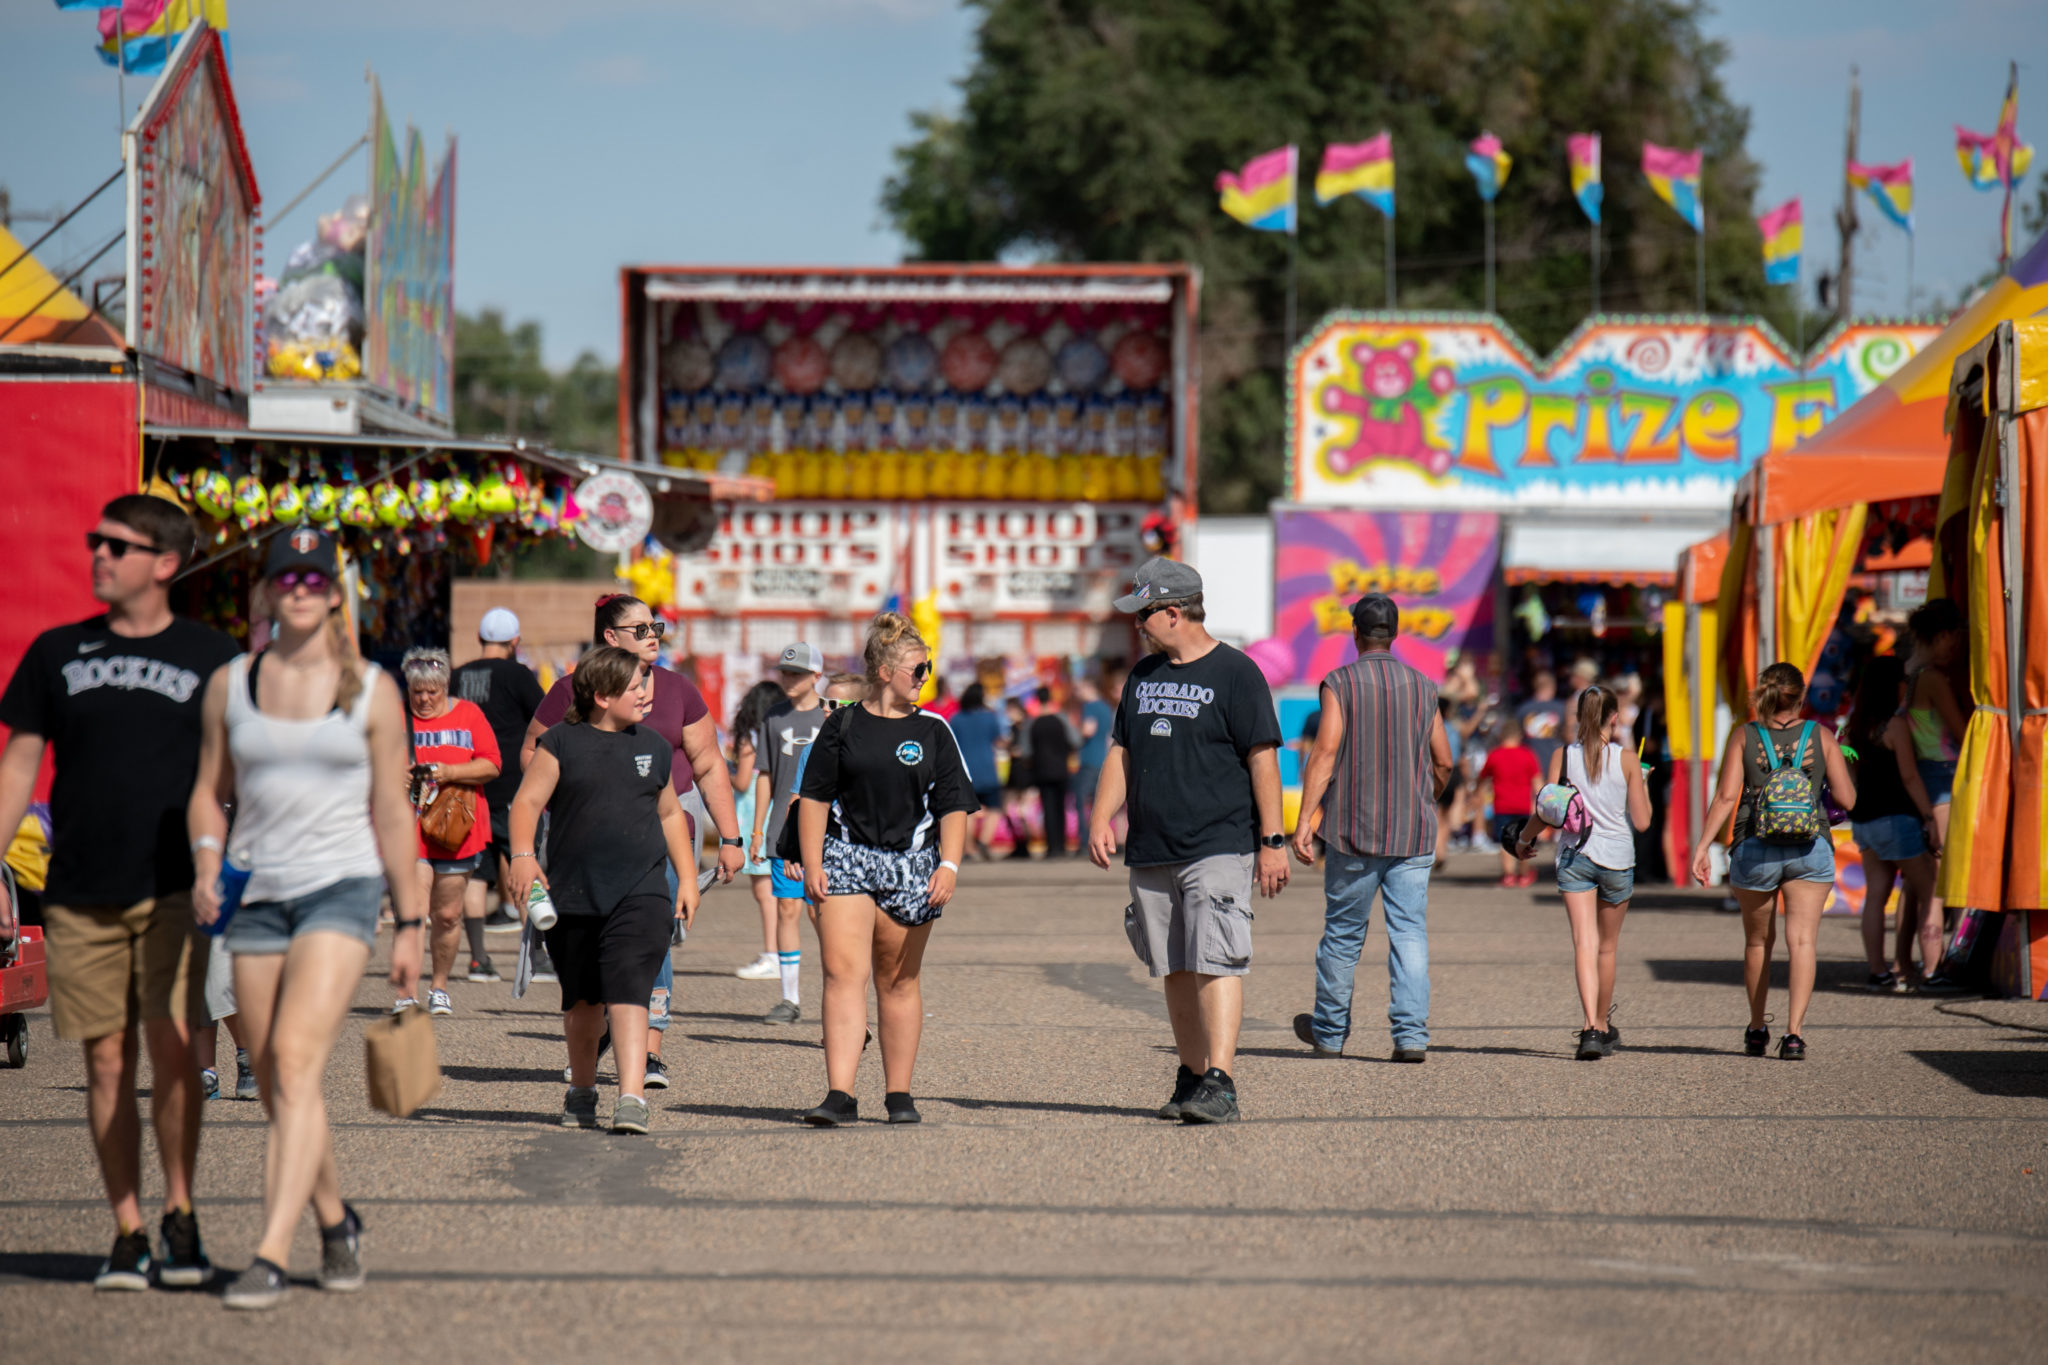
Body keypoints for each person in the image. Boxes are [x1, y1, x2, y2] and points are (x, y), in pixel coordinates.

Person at [0, 494, 238, 1290]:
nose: (98, 553)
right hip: (79, 891)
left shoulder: (213, 656)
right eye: (96, 541)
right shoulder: (55, 652)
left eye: (117, 544)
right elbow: (17, 766)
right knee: (106, 1061)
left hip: (177, 886)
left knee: (172, 1050)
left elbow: (237, 771)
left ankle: (181, 1210)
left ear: (165, 563)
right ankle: (129, 1229)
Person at [187, 526, 424, 1308]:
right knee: (278, 1082)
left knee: (291, 1059)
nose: (298, 589)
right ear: (268, 590)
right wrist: (206, 860)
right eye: (285, 576)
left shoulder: (373, 690)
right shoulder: (234, 681)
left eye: (312, 578)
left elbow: (392, 810)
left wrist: (411, 924)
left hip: (340, 888)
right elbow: (208, 787)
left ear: (333, 593)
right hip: (254, 891)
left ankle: (268, 1252)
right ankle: (334, 1219)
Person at [1088, 558, 1287, 1123]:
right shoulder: (1144, 676)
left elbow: (1262, 761)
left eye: (1143, 615)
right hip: (1152, 846)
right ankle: (1193, 1073)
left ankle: (1221, 1081)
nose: (1137, 626)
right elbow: (1121, 752)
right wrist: (1103, 817)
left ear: (1173, 613)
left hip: (1218, 843)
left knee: (1216, 959)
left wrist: (1272, 840)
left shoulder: (1237, 673)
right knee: (1172, 964)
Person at [523, 594, 743, 1091]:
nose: (653, 636)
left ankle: (649, 1051)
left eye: (656, 627)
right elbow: (531, 753)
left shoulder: (678, 690)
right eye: (641, 628)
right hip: (586, 844)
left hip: (665, 836)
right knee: (592, 942)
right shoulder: (570, 690)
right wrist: (573, 799)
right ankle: (603, 1031)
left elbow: (708, 764)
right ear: (610, 637)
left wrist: (730, 837)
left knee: (651, 939)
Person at [508, 647, 699, 1135]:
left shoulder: (654, 746)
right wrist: (524, 858)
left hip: (642, 890)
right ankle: (583, 1090)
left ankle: (631, 1097)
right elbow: (527, 802)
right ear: (601, 696)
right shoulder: (560, 743)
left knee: (630, 987)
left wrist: (689, 877)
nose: (645, 694)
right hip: (573, 891)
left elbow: (671, 814)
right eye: (635, 687)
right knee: (584, 1000)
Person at [794, 615, 975, 1127]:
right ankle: (840, 1094)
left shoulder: (934, 729)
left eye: (927, 667)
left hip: (912, 865)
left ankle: (899, 1095)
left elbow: (953, 805)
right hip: (847, 860)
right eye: (917, 667)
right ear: (883, 670)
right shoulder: (842, 724)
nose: (924, 675)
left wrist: (950, 865)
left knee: (897, 982)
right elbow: (814, 798)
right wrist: (812, 864)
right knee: (841, 976)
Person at [1289, 594, 1451, 1064]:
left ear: (1355, 633)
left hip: (1352, 831)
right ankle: (1410, 1036)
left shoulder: (1340, 683)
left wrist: (1305, 821)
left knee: (1342, 934)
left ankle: (1330, 1033)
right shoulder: (1424, 687)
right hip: (1413, 833)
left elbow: (1323, 753)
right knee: (1409, 934)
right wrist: (1426, 798)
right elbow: (1444, 759)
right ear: (1395, 634)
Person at [1690, 663, 1856, 1060]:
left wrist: (1702, 847)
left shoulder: (1744, 736)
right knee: (1802, 942)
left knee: (1757, 942)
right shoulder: (1821, 736)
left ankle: (1756, 1027)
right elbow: (1848, 800)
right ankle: (1794, 1034)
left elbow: (1727, 798)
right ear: (1802, 696)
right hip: (1810, 846)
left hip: (1754, 846)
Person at [1514, 684, 1651, 1060]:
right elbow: (1642, 821)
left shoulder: (1563, 755)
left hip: (1575, 856)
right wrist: (1643, 783)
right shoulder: (1626, 760)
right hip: (1617, 859)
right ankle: (1603, 1026)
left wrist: (1524, 840)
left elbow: (1549, 807)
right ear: (1614, 717)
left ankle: (1590, 1026)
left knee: (1583, 943)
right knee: (1607, 947)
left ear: (1579, 716)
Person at [402, 648, 501, 1016]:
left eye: (432, 692)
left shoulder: (469, 715)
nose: (424, 699)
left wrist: (448, 772)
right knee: (412, 909)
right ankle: (407, 991)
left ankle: (439, 986)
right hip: (411, 828)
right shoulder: (399, 718)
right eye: (417, 693)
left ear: (445, 687)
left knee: (446, 915)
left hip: (458, 828)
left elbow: (492, 764)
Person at [1843, 655, 1942, 990]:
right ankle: (1932, 970)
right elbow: (1910, 776)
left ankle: (1878, 971)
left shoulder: (1852, 727)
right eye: (1902, 680)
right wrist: (1929, 816)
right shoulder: (1894, 726)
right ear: (1891, 686)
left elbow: (1850, 773)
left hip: (1865, 821)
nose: (1906, 686)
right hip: (1897, 819)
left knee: (1876, 895)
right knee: (1931, 891)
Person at [451, 608, 545, 941]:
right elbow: (545, 718)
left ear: (479, 638)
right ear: (515, 641)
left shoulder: (457, 676)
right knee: (527, 866)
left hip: (469, 787)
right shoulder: (518, 675)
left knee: (477, 875)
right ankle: (537, 954)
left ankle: (478, 960)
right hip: (512, 789)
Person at [746, 643, 827, 1022]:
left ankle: (838, 994)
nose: (788, 679)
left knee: (824, 914)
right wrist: (759, 830)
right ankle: (789, 998)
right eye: (784, 672)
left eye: (796, 673)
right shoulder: (773, 718)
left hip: (828, 834)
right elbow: (765, 775)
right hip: (782, 829)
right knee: (787, 908)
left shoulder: (832, 718)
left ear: (816, 676)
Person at [1902, 598, 1970, 983]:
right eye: (1956, 638)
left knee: (1920, 885)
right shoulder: (1933, 679)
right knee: (1946, 882)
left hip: (1919, 780)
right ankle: (1939, 966)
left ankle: (1907, 963)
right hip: (1943, 780)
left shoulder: (1909, 672)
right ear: (1944, 636)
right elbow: (1962, 732)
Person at [730, 678, 793, 982]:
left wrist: (720, 770)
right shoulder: (783, 734)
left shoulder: (750, 738)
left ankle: (772, 954)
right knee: (775, 889)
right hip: (777, 813)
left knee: (763, 890)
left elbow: (742, 781)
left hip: (754, 817)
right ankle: (778, 953)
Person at [948, 682, 1008, 861]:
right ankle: (984, 840)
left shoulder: (957, 718)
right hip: (987, 769)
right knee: (995, 808)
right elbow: (999, 741)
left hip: (965, 770)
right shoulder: (990, 717)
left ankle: (969, 848)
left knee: (969, 811)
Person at [1476, 722, 1541, 886]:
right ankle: (1524, 874)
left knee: (1504, 839)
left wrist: (1476, 794)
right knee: (1526, 838)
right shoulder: (1527, 754)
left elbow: (1482, 778)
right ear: (1519, 736)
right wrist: (1541, 803)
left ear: (1501, 736)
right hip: (1523, 804)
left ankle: (1508, 874)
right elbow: (1537, 781)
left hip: (1502, 804)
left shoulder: (1494, 755)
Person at [1028, 685, 1078, 857]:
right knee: (1060, 807)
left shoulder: (1032, 722)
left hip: (1042, 770)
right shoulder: (1061, 719)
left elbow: (1025, 750)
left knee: (1048, 808)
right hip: (1061, 769)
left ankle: (1052, 847)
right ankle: (1062, 845)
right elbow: (1075, 740)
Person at [1073, 678, 1114, 838]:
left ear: (1089, 688)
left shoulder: (1090, 707)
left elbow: (1088, 730)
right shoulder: (1106, 707)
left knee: (1081, 800)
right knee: (1098, 801)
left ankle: (1085, 838)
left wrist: (1075, 734)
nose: (1077, 693)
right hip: (1102, 757)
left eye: (1080, 689)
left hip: (1089, 759)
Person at [1002, 695, 1036, 857]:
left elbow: (1026, 750)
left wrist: (1016, 751)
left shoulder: (1027, 726)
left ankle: (1024, 843)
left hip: (1024, 773)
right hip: (1015, 773)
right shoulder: (1014, 727)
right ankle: (1019, 842)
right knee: (1009, 810)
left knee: (1022, 811)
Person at [1516, 670, 1568, 775]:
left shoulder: (1523, 709)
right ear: (1552, 687)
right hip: (1555, 762)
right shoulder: (1561, 709)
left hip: (1530, 763)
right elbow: (1567, 734)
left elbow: (1518, 737)